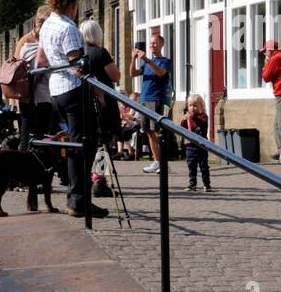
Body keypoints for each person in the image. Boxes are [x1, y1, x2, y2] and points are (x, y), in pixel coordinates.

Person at [39, 0, 108, 218]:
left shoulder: (48, 24)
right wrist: (98, 91)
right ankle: (78, 200)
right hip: (73, 90)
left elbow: (44, 59)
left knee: (76, 143)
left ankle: (77, 196)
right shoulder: (68, 27)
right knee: (84, 145)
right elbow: (76, 65)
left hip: (56, 89)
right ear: (73, 4)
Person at [79, 19, 121, 199]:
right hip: (104, 102)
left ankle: (86, 177)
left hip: (84, 101)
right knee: (103, 141)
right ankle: (99, 179)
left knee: (88, 139)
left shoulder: (80, 54)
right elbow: (116, 75)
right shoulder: (100, 52)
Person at [131, 33, 172, 175]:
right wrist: (133, 59)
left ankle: (164, 163)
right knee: (148, 132)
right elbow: (132, 74)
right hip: (144, 99)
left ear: (161, 44)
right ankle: (157, 162)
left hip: (156, 99)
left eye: (154, 43)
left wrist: (147, 60)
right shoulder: (146, 63)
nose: (151, 46)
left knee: (158, 131)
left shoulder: (164, 61)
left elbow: (161, 73)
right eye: (150, 43)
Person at [15, 6, 54, 151]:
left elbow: (16, 64)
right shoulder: (43, 44)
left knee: (26, 130)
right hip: (41, 95)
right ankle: (35, 163)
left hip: (25, 94)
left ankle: (24, 160)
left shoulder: (23, 42)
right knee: (40, 133)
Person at [260, 39, 281, 152]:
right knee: (279, 121)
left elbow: (266, 77)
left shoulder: (275, 59)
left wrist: (266, 63)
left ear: (270, 49)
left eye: (265, 51)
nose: (265, 53)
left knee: (280, 121)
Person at [180, 95, 213, 193]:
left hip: (201, 145)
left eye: (195, 106)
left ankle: (207, 184)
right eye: (190, 106)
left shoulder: (203, 116)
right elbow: (182, 128)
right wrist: (184, 120)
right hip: (190, 145)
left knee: (204, 166)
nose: (192, 108)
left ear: (201, 107)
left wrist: (193, 117)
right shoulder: (188, 117)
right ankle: (192, 184)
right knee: (191, 166)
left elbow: (202, 125)